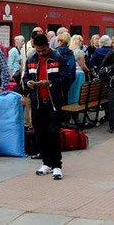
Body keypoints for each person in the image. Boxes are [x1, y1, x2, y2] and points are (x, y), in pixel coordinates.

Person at [23, 34, 71, 180]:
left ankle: (57, 165)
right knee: (40, 133)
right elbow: (25, 77)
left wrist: (50, 83)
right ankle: (46, 163)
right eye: (38, 51)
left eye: (43, 50)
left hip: (54, 103)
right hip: (37, 102)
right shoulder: (31, 59)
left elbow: (66, 78)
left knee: (53, 133)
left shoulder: (58, 58)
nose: (41, 53)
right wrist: (28, 84)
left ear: (47, 46)